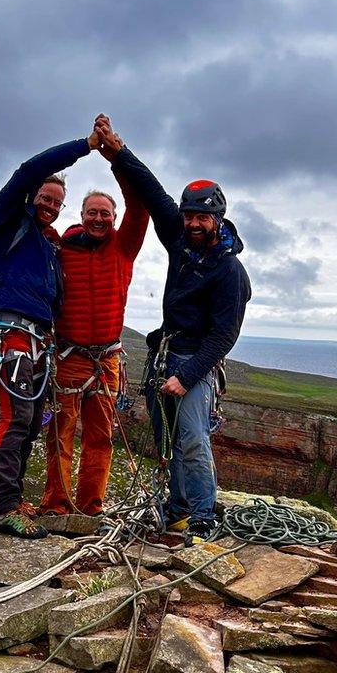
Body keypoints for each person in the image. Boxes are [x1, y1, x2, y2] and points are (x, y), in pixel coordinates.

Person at [94, 117, 251, 540]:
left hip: (193, 363)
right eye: (190, 216)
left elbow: (224, 336)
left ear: (219, 219)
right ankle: (178, 508)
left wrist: (186, 376)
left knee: (194, 440)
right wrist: (117, 151)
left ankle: (203, 517)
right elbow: (152, 190)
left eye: (203, 218)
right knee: (168, 443)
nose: (194, 224)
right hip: (164, 355)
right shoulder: (180, 239)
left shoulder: (229, 272)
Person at [0, 125, 104, 536]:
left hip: (38, 341)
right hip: (10, 335)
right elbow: (29, 169)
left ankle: (12, 498)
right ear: (32, 196)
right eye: (46, 198)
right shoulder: (6, 221)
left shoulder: (45, 244)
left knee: (32, 423)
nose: (51, 206)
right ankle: (5, 506)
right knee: (17, 418)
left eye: (58, 202)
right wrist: (84, 147)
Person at [38, 164, 149, 516]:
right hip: (69, 355)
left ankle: (91, 507)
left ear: (114, 218)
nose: (98, 219)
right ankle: (56, 505)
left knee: (100, 437)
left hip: (107, 359)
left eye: (105, 213)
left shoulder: (124, 245)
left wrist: (115, 158)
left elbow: (140, 206)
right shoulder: (61, 245)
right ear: (81, 216)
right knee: (60, 434)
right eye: (92, 213)